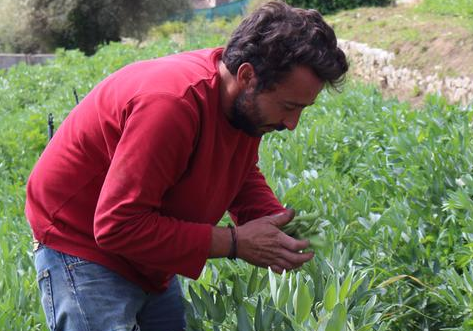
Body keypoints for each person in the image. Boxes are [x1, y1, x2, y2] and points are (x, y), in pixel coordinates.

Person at [25, 1, 348, 330]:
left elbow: (239, 169)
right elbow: (116, 226)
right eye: (289, 106)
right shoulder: (171, 105)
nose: (292, 123)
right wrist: (235, 242)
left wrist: (273, 224)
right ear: (247, 76)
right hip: (81, 244)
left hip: (144, 249)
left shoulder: (243, 105)